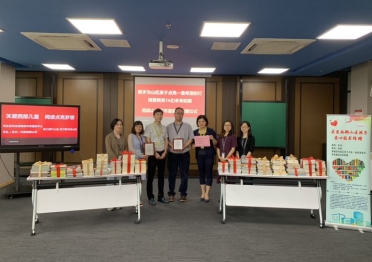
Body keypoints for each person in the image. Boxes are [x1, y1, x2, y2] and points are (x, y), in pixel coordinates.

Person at [167, 107, 194, 202]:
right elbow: (166, 139)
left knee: (184, 174)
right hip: (172, 154)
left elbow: (191, 138)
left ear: (183, 115)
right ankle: (171, 193)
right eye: (178, 113)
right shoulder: (169, 126)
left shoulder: (188, 126)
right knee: (172, 174)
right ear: (174, 114)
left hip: (184, 154)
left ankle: (183, 194)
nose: (179, 115)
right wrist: (172, 145)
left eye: (181, 113)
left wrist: (183, 146)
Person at [144, 109, 169, 206]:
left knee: (161, 176)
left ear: (162, 116)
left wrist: (165, 152)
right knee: (150, 176)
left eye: (161, 114)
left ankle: (161, 196)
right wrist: (155, 153)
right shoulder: (149, 127)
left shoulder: (164, 127)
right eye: (157, 114)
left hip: (162, 153)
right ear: (153, 115)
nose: (159, 116)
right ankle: (150, 197)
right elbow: (148, 140)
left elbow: (166, 140)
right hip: (153, 154)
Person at [192, 115, 217, 203]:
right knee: (201, 173)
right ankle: (203, 192)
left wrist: (213, 138)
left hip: (209, 154)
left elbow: (216, 143)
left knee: (209, 173)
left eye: (203, 121)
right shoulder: (195, 132)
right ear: (197, 123)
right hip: (200, 154)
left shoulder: (211, 131)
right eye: (199, 121)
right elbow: (193, 143)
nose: (201, 123)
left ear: (206, 122)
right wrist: (193, 145)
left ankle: (207, 193)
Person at [105, 118, 127, 211]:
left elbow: (125, 150)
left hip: (120, 163)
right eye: (117, 124)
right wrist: (116, 160)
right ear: (113, 126)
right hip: (111, 163)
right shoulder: (108, 137)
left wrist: (121, 159)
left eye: (121, 124)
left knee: (119, 183)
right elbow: (109, 151)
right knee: (110, 182)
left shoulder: (124, 137)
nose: (119, 126)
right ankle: (110, 203)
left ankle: (118, 202)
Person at [128, 121, 147, 207]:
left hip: (142, 161)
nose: (139, 128)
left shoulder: (143, 137)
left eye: (140, 126)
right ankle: (133, 199)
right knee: (133, 181)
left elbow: (146, 148)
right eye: (137, 126)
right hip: (134, 160)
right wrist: (140, 155)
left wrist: (147, 155)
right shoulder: (130, 136)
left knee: (141, 180)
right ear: (134, 127)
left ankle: (138, 198)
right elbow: (131, 149)